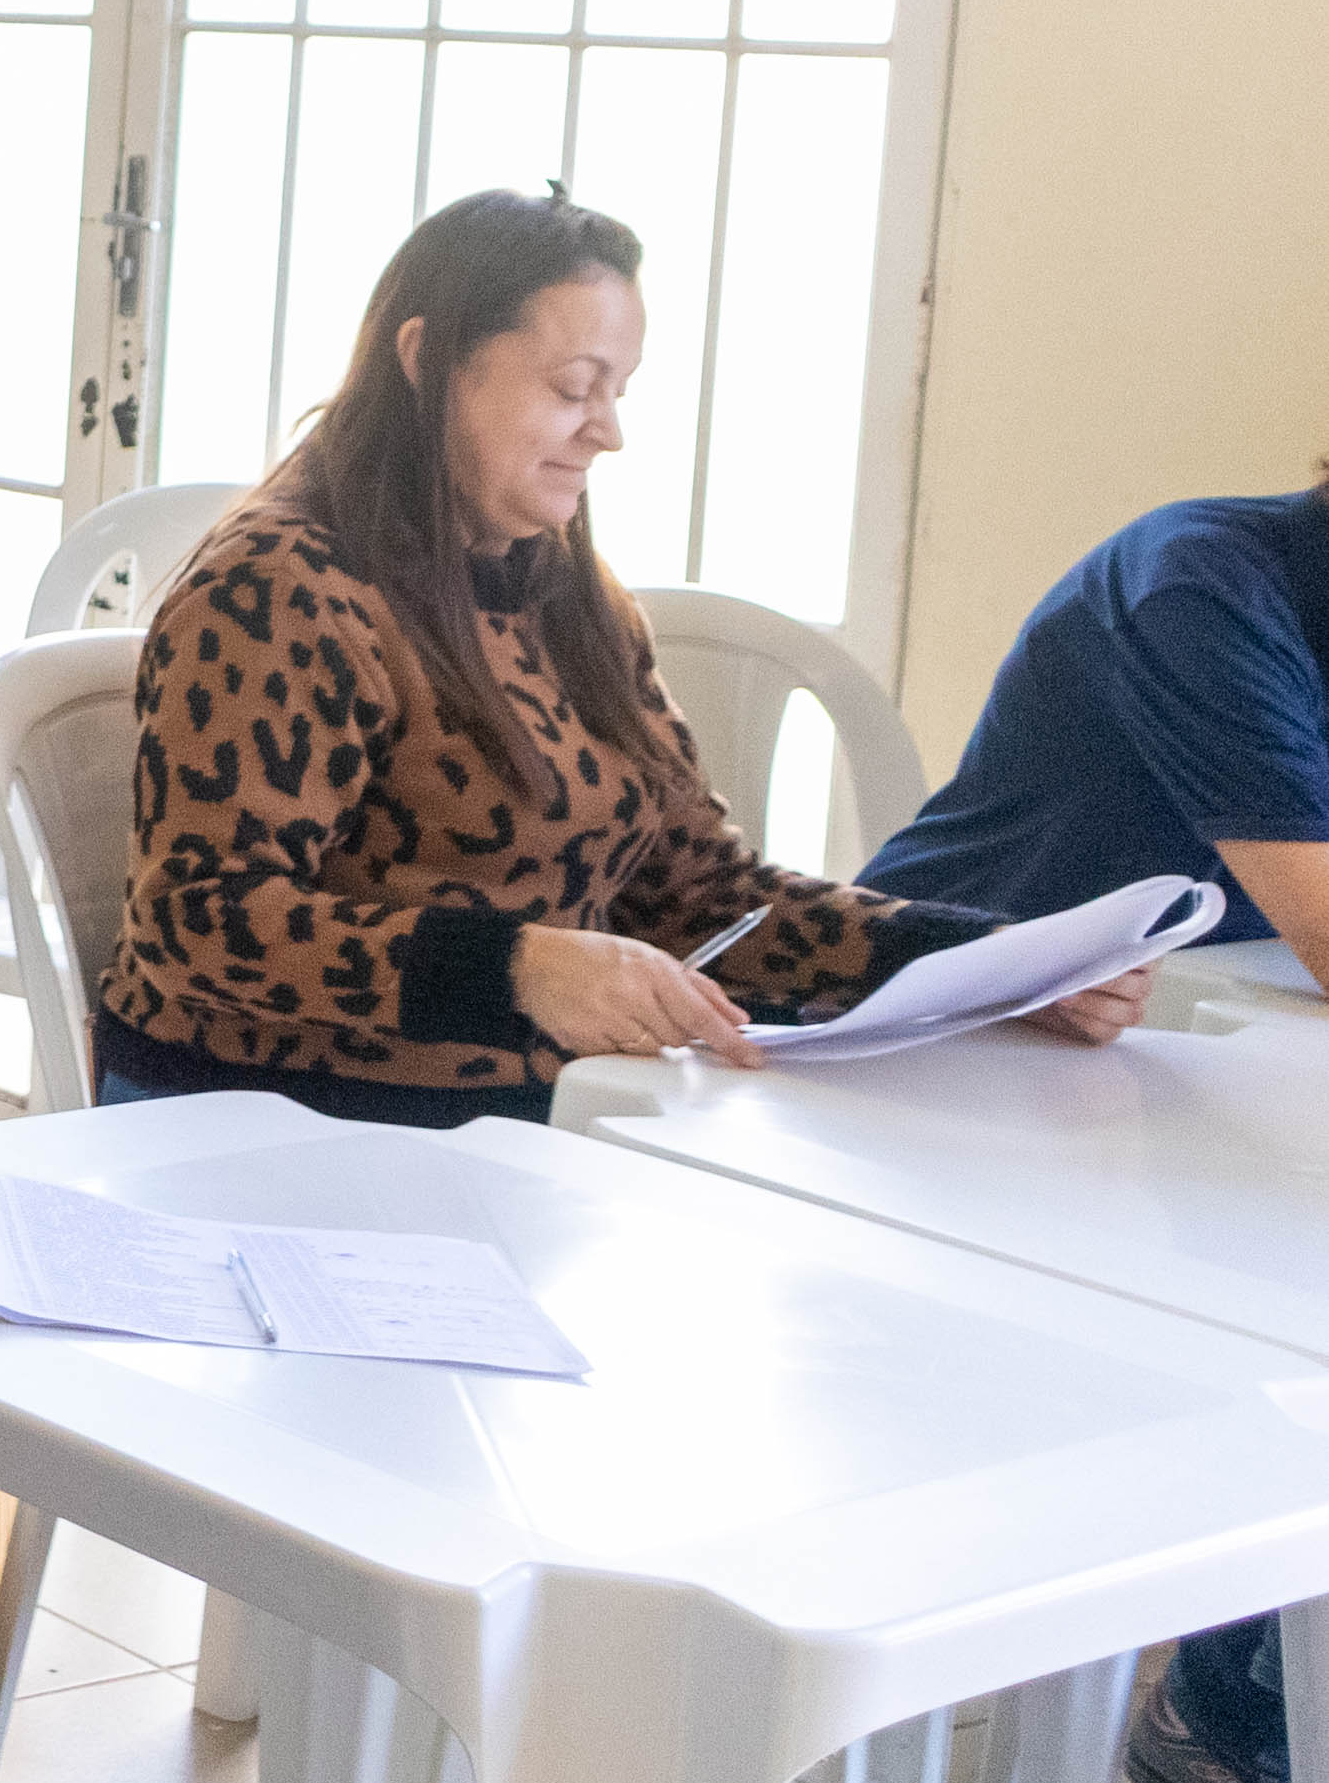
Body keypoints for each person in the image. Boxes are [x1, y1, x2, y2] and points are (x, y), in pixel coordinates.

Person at [98, 188, 1145, 1127]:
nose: (604, 432)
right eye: (570, 386)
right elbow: (199, 922)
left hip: (525, 1114)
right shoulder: (278, 588)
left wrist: (986, 962)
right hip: (270, 1122)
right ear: (424, 360)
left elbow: (704, 899)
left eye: (618, 390)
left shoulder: (561, 586)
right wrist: (515, 967)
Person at [867, 476, 1329, 1783]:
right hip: (927, 1070)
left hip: (1141, 1077)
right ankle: (1217, 1701)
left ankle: (1228, 1679)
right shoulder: (1203, 584)